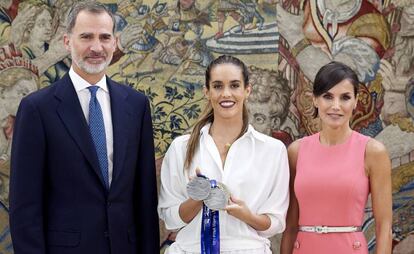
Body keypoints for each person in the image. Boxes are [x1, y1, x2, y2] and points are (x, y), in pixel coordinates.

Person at [9, 2, 159, 254]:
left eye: (104, 37)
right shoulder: (37, 109)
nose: (96, 47)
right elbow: (25, 205)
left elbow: (144, 197)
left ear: (114, 42)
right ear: (67, 41)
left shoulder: (136, 105)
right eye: (86, 37)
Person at [158, 55, 290, 254]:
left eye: (234, 85)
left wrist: (247, 216)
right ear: (207, 92)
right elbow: (170, 218)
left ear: (247, 90)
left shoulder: (272, 150)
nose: (226, 94)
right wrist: (197, 198)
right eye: (218, 86)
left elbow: (276, 223)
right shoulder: (181, 148)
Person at [280, 61, 392, 254]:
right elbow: (290, 226)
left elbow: (384, 228)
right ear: (315, 100)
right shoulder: (296, 152)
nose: (336, 106)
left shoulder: (373, 152)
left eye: (345, 97)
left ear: (356, 100)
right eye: (328, 97)